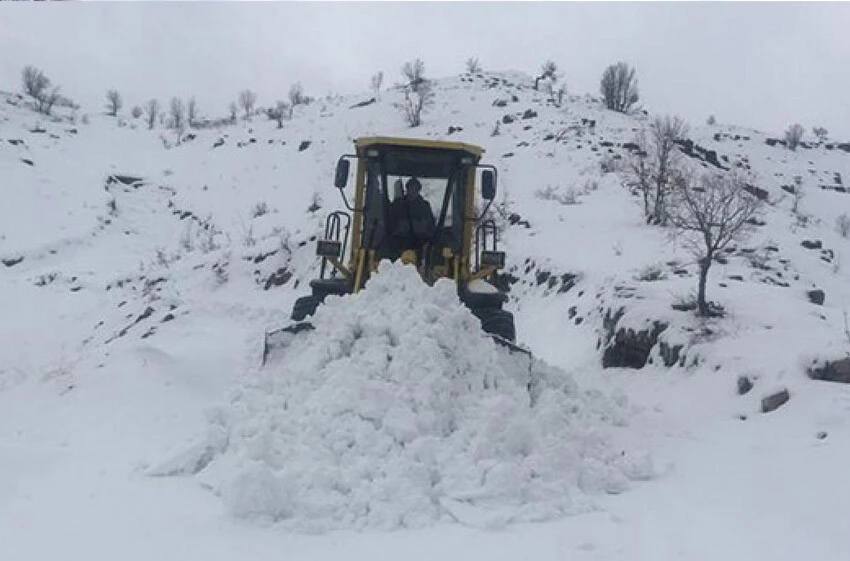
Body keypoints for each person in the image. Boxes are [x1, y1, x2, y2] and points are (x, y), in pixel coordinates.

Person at [389, 177, 436, 258]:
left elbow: (431, 227)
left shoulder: (425, 207)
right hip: (398, 244)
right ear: (407, 189)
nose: (413, 191)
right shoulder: (397, 205)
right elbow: (389, 224)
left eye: (415, 189)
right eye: (411, 188)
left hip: (421, 244)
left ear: (418, 190)